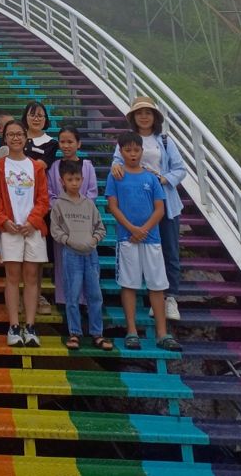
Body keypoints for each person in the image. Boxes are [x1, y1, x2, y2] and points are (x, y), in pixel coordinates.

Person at [110, 95, 186, 321]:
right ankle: (153, 298)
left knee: (169, 250)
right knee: (143, 252)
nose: (144, 116)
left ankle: (170, 298)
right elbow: (117, 162)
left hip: (165, 202)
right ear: (133, 117)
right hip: (136, 205)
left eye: (148, 112)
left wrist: (162, 179)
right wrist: (116, 167)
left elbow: (180, 169)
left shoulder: (164, 141)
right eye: (139, 113)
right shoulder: (126, 141)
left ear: (155, 117)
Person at [106, 132, 182, 352]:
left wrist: (145, 229)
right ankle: (131, 331)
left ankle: (162, 333)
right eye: (127, 150)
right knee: (129, 284)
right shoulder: (116, 176)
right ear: (120, 152)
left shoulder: (151, 177)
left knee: (157, 286)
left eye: (136, 150)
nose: (132, 154)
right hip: (126, 238)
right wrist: (132, 229)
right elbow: (112, 206)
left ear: (142, 151)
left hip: (152, 239)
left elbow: (160, 208)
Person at [0, 118, 50, 347]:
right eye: (11, 134)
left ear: (26, 137)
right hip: (10, 229)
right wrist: (3, 221)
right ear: (4, 138)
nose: (15, 137)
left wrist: (33, 221)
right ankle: (14, 325)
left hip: (33, 229)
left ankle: (31, 326)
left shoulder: (36, 166)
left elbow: (43, 199)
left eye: (19, 134)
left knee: (32, 278)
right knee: (12, 278)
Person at [50, 159, 112, 351]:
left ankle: (97, 333)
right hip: (71, 255)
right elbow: (55, 230)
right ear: (63, 181)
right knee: (72, 295)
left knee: (95, 295)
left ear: (83, 179)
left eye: (77, 179)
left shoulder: (89, 204)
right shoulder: (59, 204)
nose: (74, 183)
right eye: (70, 179)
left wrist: (94, 240)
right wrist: (68, 240)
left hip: (91, 255)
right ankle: (75, 333)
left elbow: (100, 228)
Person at [47, 125, 98, 305]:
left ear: (79, 143)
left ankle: (85, 302)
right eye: (62, 142)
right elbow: (50, 194)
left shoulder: (87, 166)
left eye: (70, 142)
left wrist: (78, 208)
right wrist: (64, 209)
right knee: (64, 263)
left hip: (84, 223)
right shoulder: (54, 167)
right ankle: (65, 300)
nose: (66, 146)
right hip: (62, 223)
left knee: (85, 261)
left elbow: (92, 192)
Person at [21, 101, 58, 314]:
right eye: (32, 114)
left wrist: (21, 162)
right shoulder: (17, 136)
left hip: (39, 199)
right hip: (16, 197)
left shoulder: (51, 143)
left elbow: (43, 165)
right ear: (25, 116)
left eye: (41, 115)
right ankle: (20, 293)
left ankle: (39, 293)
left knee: (39, 251)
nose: (36, 118)